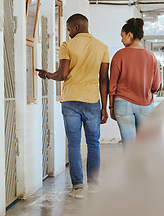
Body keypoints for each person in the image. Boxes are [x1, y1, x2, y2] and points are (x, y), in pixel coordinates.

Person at [36, 13, 109, 199]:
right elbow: (103, 79)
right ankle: (93, 185)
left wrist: (46, 75)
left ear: (76, 27)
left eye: (69, 29)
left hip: (71, 101)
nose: (68, 33)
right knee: (93, 144)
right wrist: (104, 107)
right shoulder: (102, 47)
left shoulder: (67, 46)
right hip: (93, 100)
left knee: (74, 144)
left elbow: (62, 75)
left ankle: (78, 188)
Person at [109, 18, 161, 145]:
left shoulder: (119, 55)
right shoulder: (151, 57)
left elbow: (112, 86)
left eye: (122, 36)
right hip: (145, 103)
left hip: (122, 103)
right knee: (144, 145)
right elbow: (155, 86)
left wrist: (111, 107)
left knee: (129, 145)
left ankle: (130, 165)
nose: (121, 40)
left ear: (130, 35)